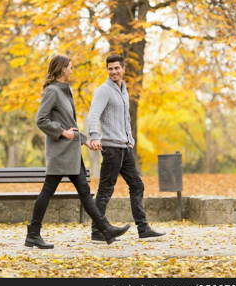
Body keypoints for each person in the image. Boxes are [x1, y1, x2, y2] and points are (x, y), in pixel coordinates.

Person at [25, 54, 130, 249]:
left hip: (72, 153)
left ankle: (105, 229)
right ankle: (33, 233)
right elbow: (41, 120)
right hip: (60, 153)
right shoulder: (52, 91)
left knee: (84, 192)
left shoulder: (66, 90)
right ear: (62, 69)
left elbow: (70, 125)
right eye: (71, 67)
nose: (72, 70)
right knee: (47, 192)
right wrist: (62, 132)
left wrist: (86, 140)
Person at [88, 54, 165, 241]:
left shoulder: (123, 90)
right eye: (110, 68)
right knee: (106, 189)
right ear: (107, 70)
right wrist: (94, 135)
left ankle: (143, 228)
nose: (114, 71)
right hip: (111, 148)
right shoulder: (103, 91)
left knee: (137, 185)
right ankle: (97, 231)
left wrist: (130, 139)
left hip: (125, 147)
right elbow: (93, 115)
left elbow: (126, 118)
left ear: (123, 69)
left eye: (117, 68)